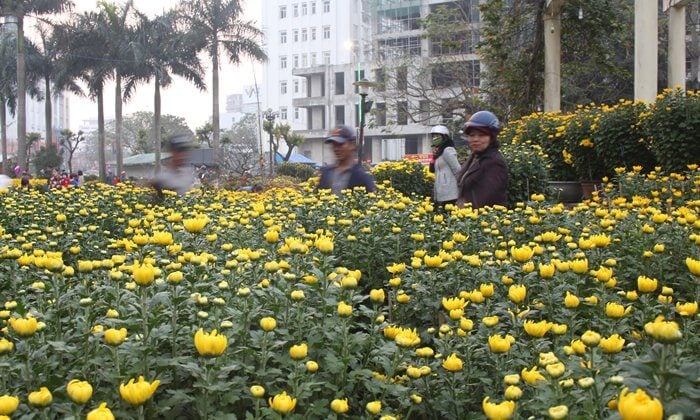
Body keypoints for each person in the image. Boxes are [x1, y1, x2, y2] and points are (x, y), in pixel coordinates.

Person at [456, 111, 508, 208]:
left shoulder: (494, 162)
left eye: (481, 135)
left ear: (491, 137)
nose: (475, 139)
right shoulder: (475, 157)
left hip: (483, 219)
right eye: (472, 135)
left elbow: (486, 200)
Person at [318, 125, 376, 195]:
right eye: (334, 145)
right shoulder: (326, 172)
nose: (336, 149)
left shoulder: (362, 175)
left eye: (340, 144)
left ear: (352, 144)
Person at [151, 134, 195, 199]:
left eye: (185, 151)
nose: (182, 155)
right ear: (172, 153)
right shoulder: (162, 179)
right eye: (178, 151)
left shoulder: (189, 176)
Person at [428, 125, 460, 209]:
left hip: (450, 192)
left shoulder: (447, 150)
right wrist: (434, 156)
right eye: (433, 136)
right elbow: (432, 170)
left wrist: (461, 187)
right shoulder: (439, 152)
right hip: (441, 191)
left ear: (444, 137)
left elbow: (457, 169)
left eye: (437, 136)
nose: (435, 138)